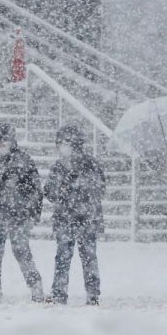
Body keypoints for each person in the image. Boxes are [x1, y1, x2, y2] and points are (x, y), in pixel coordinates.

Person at [0, 122, 45, 301]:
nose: (0, 144)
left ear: (12, 141)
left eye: (4, 140)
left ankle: (35, 286)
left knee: (21, 251)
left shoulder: (24, 161)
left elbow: (36, 189)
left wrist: (32, 212)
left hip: (19, 216)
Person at [43, 124, 105, 306]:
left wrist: (76, 187)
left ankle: (92, 294)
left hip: (86, 218)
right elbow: (49, 192)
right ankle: (59, 292)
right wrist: (61, 189)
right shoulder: (58, 166)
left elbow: (99, 189)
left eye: (63, 143)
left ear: (74, 143)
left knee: (88, 257)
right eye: (59, 143)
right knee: (63, 257)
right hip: (66, 218)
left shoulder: (90, 164)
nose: (60, 147)